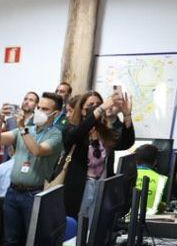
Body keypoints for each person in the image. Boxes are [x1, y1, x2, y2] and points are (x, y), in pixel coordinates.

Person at [0, 92, 65, 246]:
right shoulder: (25, 130)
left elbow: (37, 150)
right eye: (39, 107)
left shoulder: (55, 135)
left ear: (56, 114)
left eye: (45, 109)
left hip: (34, 195)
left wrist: (23, 128)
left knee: (31, 241)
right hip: (13, 191)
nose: (39, 111)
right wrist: (0, 121)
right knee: (10, 241)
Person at [56, 89, 136, 217]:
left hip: (101, 187)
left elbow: (127, 142)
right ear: (82, 110)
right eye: (90, 105)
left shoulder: (106, 132)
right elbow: (74, 136)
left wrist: (127, 115)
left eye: (98, 104)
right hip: (79, 188)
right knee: (77, 226)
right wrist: (101, 108)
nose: (95, 107)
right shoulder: (72, 129)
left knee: (95, 228)